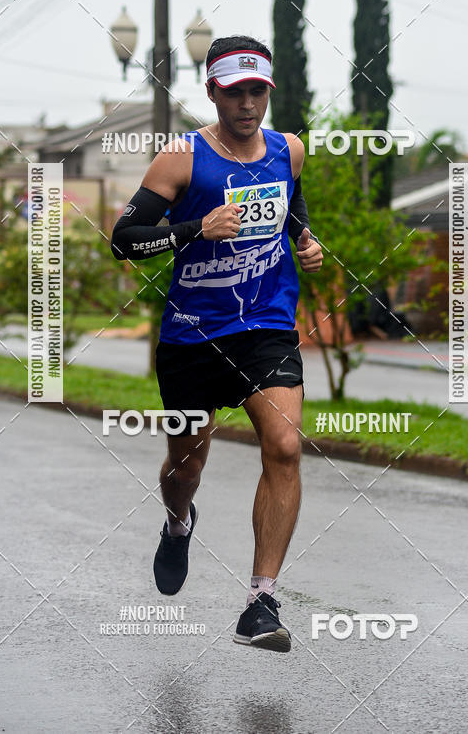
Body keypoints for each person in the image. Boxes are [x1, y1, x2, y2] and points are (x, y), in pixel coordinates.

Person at [111, 35, 322, 652]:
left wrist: (306, 244)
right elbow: (125, 241)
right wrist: (192, 230)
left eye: (258, 91)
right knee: (187, 465)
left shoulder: (290, 150)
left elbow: (291, 211)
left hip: (267, 326)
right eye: (235, 92)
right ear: (213, 92)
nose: (248, 104)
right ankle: (178, 525)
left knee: (284, 444)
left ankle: (260, 601)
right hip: (193, 336)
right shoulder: (181, 158)